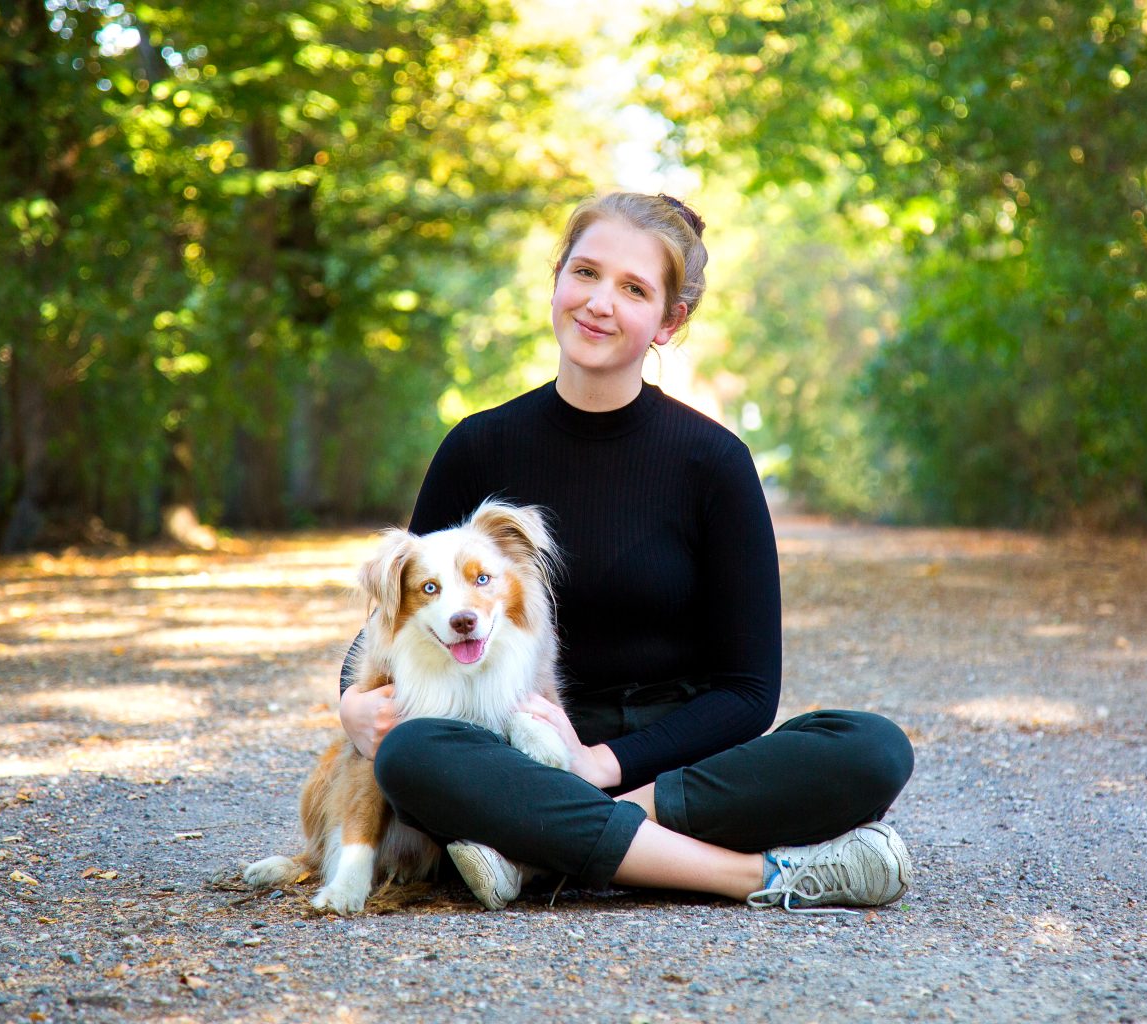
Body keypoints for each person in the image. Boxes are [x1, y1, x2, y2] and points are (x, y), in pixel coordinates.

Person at [338, 191, 915, 914]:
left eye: (634, 289)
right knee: (414, 756)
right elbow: (402, 611)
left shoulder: (714, 463)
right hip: (512, 753)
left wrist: (597, 766)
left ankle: (539, 853)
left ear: (669, 322)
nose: (599, 303)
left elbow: (748, 691)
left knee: (872, 748)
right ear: (556, 280)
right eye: (585, 273)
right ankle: (755, 875)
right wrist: (352, 705)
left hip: (670, 762)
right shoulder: (479, 447)